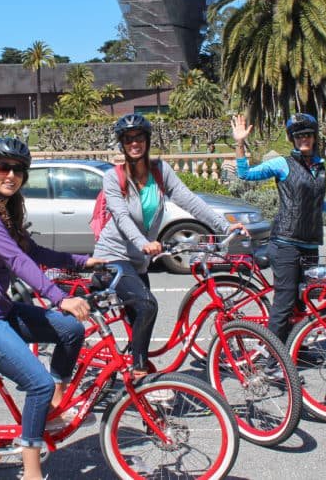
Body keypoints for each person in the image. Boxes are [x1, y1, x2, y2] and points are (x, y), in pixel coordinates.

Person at [0, 137, 102, 480]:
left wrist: (85, 261)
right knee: (38, 384)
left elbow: (35, 251)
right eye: (3, 168)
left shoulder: (9, 209)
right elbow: (17, 260)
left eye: (18, 170)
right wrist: (61, 298)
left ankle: (52, 410)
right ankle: (31, 471)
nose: (10, 175)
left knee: (71, 330)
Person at [94, 113, 248, 380]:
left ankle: (131, 363)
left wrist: (224, 226)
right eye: (128, 139)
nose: (134, 144)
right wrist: (144, 244)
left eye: (139, 138)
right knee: (147, 305)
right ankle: (140, 374)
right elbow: (120, 217)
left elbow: (190, 201)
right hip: (113, 256)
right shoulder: (113, 177)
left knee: (141, 318)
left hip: (139, 261)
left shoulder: (160, 172)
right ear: (121, 144)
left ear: (147, 140)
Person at [231, 113, 326, 350]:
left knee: (301, 303)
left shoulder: (319, 166)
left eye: (308, 135)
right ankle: (272, 359)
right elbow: (245, 174)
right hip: (285, 243)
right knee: (284, 303)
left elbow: (314, 202)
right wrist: (240, 143)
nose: (304, 139)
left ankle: (295, 349)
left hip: (310, 243)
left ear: (314, 137)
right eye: (298, 135)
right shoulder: (283, 164)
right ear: (292, 139)